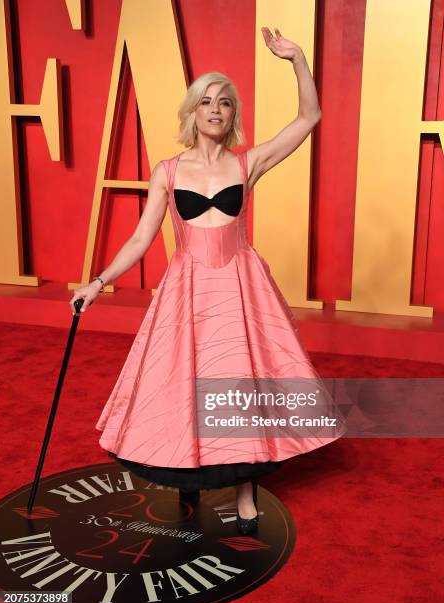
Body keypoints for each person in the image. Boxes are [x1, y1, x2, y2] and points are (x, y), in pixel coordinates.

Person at [70, 27, 346, 535]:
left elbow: (309, 118)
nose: (215, 110)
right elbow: (139, 239)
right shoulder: (168, 171)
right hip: (189, 290)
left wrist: (298, 59)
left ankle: (245, 490)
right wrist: (98, 282)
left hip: (240, 287)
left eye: (224, 103)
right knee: (188, 383)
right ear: (191, 114)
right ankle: (189, 483)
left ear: (231, 114)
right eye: (206, 103)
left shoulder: (249, 161)